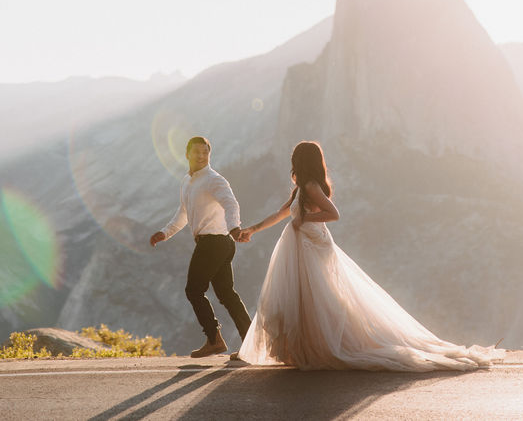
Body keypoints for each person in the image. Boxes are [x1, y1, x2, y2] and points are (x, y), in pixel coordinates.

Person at [236, 140, 504, 371]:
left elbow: (333, 213)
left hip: (313, 245)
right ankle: (305, 349)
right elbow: (280, 213)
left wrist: (305, 218)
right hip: (301, 244)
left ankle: (325, 346)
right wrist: (253, 229)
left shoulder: (310, 185)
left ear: (300, 161)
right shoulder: (300, 189)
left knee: (321, 296)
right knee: (308, 298)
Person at [149, 136, 251, 357]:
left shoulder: (214, 180)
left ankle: (215, 340)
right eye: (197, 152)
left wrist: (235, 227)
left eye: (205, 152)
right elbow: (183, 213)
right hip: (217, 243)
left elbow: (230, 203)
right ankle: (251, 343)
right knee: (226, 294)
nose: (201, 156)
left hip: (215, 242)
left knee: (194, 290)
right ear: (187, 154)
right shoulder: (188, 181)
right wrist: (165, 233)